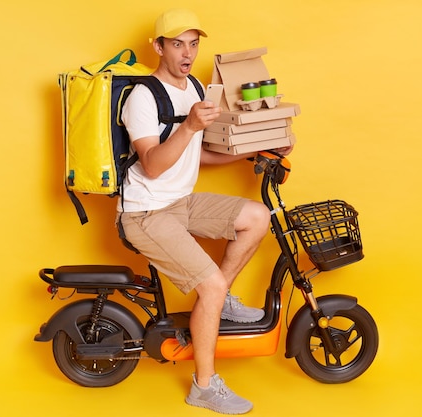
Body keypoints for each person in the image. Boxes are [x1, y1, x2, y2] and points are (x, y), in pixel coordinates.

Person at [117, 8, 292, 414]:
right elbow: (154, 165)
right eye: (177, 44)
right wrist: (190, 126)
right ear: (158, 46)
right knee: (209, 287)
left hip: (180, 202)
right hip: (146, 213)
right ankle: (204, 386)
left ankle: (219, 300)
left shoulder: (195, 86)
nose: (187, 53)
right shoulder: (142, 97)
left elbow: (198, 157)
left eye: (193, 44)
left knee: (256, 217)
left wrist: (256, 152)